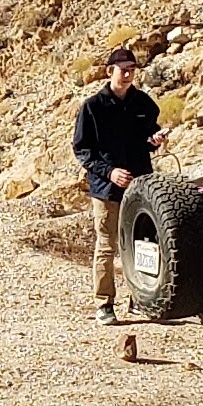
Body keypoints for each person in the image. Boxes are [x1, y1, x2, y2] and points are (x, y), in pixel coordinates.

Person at [70, 46, 167, 324]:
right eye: (122, 69)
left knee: (143, 243)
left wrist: (155, 141)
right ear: (109, 71)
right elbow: (83, 150)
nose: (126, 74)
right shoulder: (92, 108)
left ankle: (140, 298)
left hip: (139, 188)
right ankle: (104, 304)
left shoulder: (144, 104)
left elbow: (147, 139)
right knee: (107, 246)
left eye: (131, 69)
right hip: (107, 189)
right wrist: (109, 172)